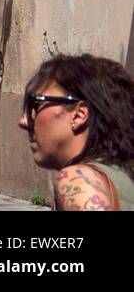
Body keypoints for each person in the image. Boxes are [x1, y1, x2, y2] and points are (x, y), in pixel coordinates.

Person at [19, 54, 134, 211]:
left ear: (79, 114)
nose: (24, 121)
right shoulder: (122, 175)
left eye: (35, 105)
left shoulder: (77, 180)